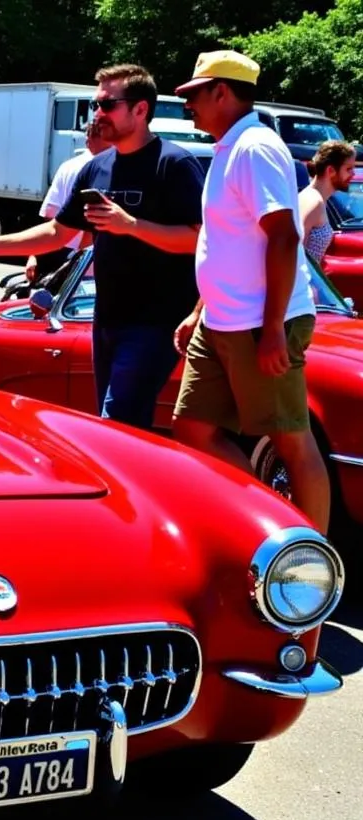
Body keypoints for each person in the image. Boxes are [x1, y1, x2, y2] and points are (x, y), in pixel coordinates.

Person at [0, 64, 204, 430]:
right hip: (105, 318)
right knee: (123, 427)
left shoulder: (175, 164)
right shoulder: (97, 167)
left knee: (117, 421)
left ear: (140, 109)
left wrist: (130, 225)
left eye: (107, 104)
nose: (97, 113)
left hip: (157, 321)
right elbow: (59, 232)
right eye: (95, 103)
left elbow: (201, 238)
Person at [171, 51, 329, 532]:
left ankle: (305, 575)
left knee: (290, 441)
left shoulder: (254, 147)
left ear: (222, 91)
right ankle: (268, 527)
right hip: (223, 319)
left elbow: (283, 236)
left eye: (194, 95)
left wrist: (275, 330)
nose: (187, 106)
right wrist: (200, 309)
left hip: (261, 321)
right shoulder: (228, 148)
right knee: (192, 427)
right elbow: (223, 243)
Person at [25, 120, 111, 286]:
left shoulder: (69, 166)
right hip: (85, 260)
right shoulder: (106, 168)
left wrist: (34, 255)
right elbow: (89, 228)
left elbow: (50, 218)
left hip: (60, 253)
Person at [298, 140, 355, 263]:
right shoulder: (313, 201)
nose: (353, 174)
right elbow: (295, 252)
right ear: (331, 171)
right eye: (348, 169)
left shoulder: (315, 198)